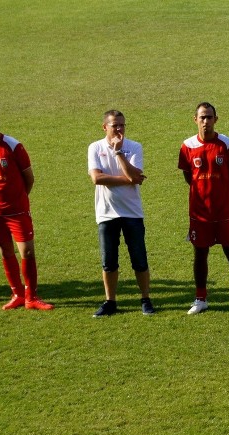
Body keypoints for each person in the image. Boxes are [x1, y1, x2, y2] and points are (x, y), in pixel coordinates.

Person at [178, 102, 229, 315]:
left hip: (225, 212)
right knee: (200, 253)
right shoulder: (187, 146)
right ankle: (200, 299)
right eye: (202, 118)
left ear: (216, 119)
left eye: (209, 117)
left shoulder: (227, 144)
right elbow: (188, 175)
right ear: (195, 120)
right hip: (199, 213)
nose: (206, 121)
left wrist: (223, 192)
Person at [0, 108, 53, 311]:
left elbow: (29, 178)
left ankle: (32, 297)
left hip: (17, 211)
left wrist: (20, 199)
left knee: (27, 251)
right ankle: (17, 295)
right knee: (5, 251)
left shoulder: (13, 146)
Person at [87, 109, 153, 316]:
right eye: (115, 125)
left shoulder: (134, 147)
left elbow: (135, 175)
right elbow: (97, 179)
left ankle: (145, 298)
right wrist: (129, 179)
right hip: (106, 214)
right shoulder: (95, 147)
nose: (119, 129)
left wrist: (117, 153)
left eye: (122, 125)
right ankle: (110, 301)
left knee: (139, 259)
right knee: (109, 262)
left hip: (132, 213)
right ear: (104, 127)